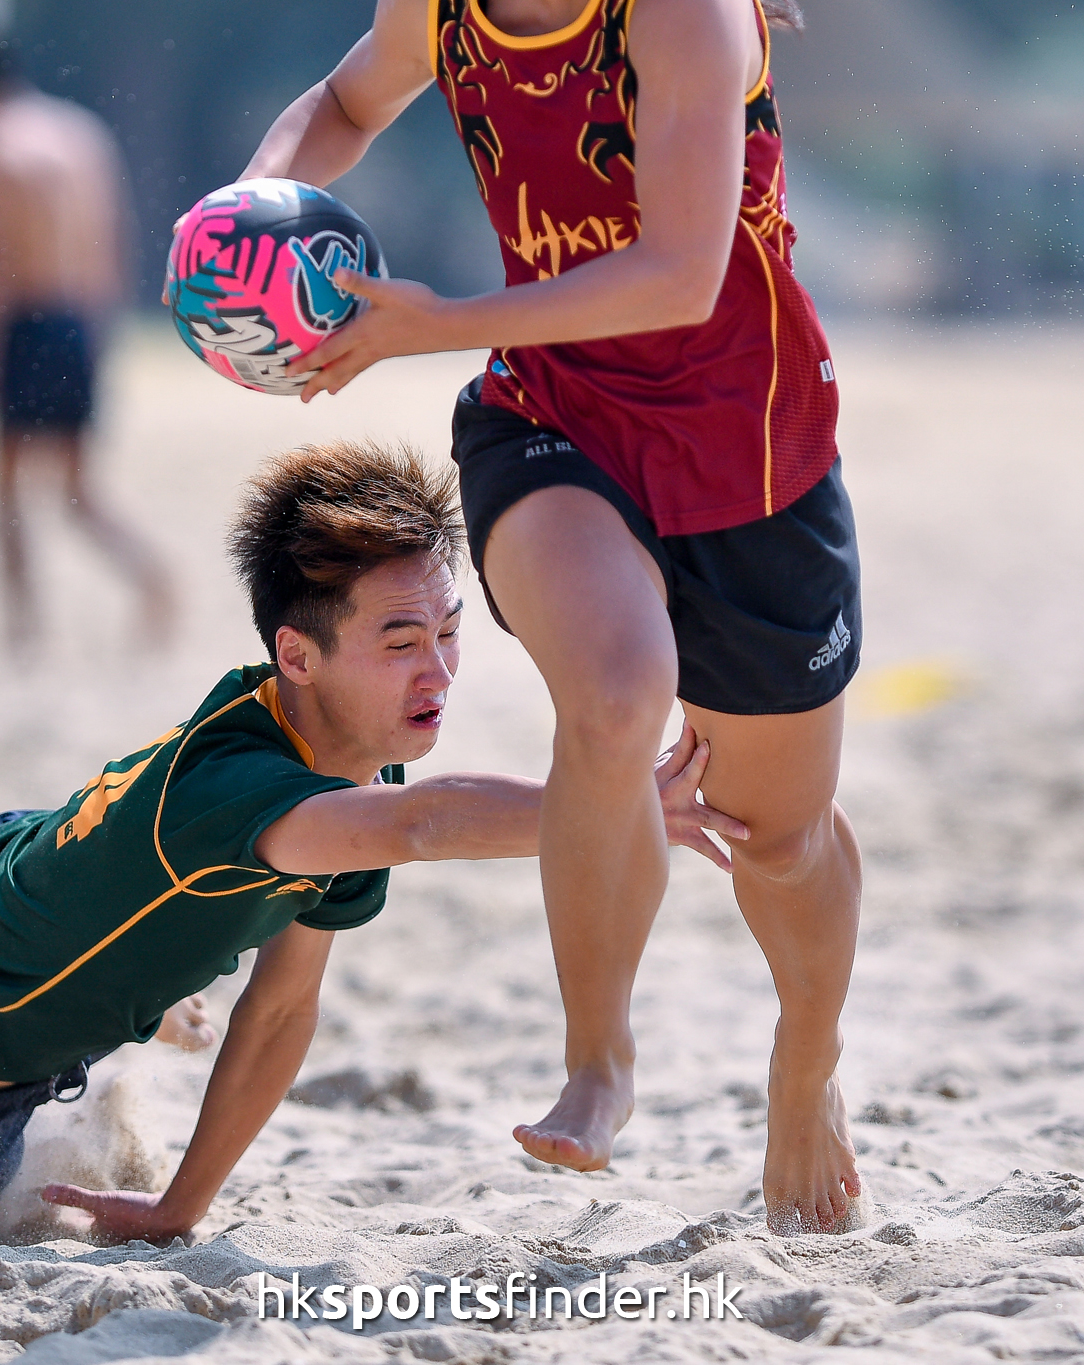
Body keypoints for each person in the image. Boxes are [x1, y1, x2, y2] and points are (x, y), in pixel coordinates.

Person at [0, 440, 743, 1237]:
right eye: (401, 643)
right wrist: (613, 801)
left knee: (129, 896)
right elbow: (425, 824)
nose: (438, 670)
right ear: (295, 655)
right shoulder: (249, 791)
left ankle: (161, 987)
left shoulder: (343, 755)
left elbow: (279, 1009)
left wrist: (179, 1207)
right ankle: (157, 991)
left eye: (448, 630)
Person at [241, 0, 866, 1234]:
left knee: (777, 837)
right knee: (615, 696)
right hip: (551, 415)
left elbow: (680, 279)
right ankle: (598, 1064)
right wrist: (246, 203)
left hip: (749, 456)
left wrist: (435, 325)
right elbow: (348, 102)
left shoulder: (682, 17)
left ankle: (805, 1067)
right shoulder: (442, 7)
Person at [0, 51, 174, 649]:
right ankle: (152, 577)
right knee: (77, 492)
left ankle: (23, 625)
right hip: (82, 320)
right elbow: (113, 243)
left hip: (27, 319)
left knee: (4, 486)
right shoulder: (81, 136)